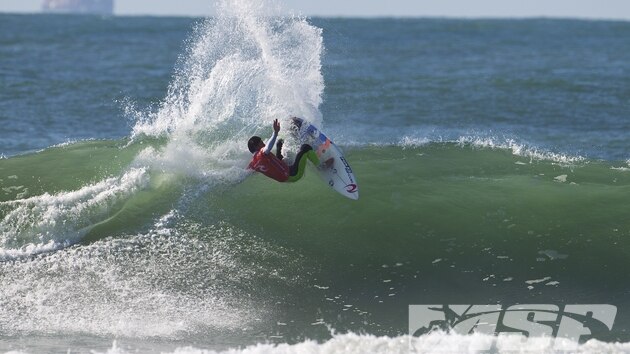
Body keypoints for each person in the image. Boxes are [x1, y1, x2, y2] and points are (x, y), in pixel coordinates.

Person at [247, 119, 325, 182]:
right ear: (256, 146)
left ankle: (294, 131)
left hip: (284, 172)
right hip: (293, 174)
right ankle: (321, 166)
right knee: (305, 148)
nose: (263, 144)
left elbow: (245, 172)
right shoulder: (261, 153)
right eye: (261, 143)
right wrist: (275, 132)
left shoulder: (253, 163)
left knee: (279, 143)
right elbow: (267, 148)